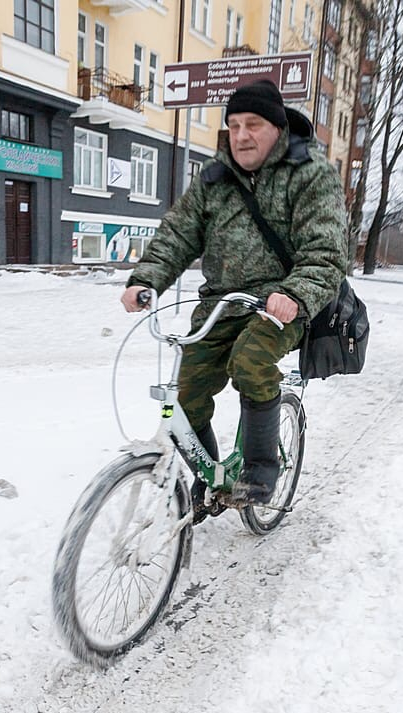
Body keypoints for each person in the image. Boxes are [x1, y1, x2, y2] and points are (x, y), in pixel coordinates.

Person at [120, 79, 348, 513]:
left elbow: (326, 252)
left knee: (250, 359)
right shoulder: (215, 177)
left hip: (281, 305)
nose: (241, 135)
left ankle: (261, 470)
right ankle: (212, 479)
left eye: (253, 124)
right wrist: (146, 279)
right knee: (185, 394)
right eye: (234, 125)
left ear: (277, 129)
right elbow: (179, 233)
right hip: (220, 304)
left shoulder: (311, 174)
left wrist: (294, 294)